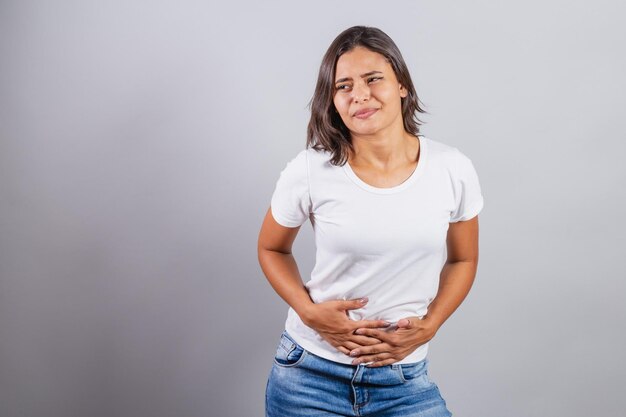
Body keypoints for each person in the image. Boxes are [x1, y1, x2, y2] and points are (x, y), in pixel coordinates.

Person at [257, 25, 484, 417]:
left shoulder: (452, 168)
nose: (359, 94)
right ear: (333, 100)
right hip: (309, 376)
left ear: (402, 85)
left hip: (403, 381)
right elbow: (271, 247)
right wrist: (309, 312)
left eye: (373, 79)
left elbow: (463, 259)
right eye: (343, 85)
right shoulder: (311, 169)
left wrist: (431, 324)